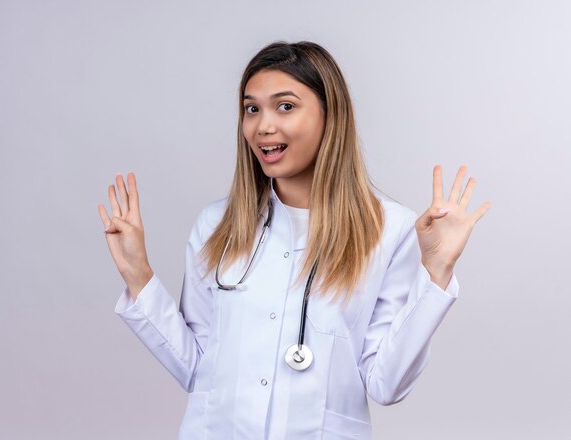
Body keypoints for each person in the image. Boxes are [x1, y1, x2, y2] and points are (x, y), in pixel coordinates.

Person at [97, 41, 490, 439]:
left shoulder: (390, 230)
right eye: (252, 108)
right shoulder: (217, 225)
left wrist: (436, 272)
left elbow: (385, 384)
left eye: (285, 106)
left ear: (329, 115)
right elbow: (200, 370)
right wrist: (138, 276)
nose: (263, 126)